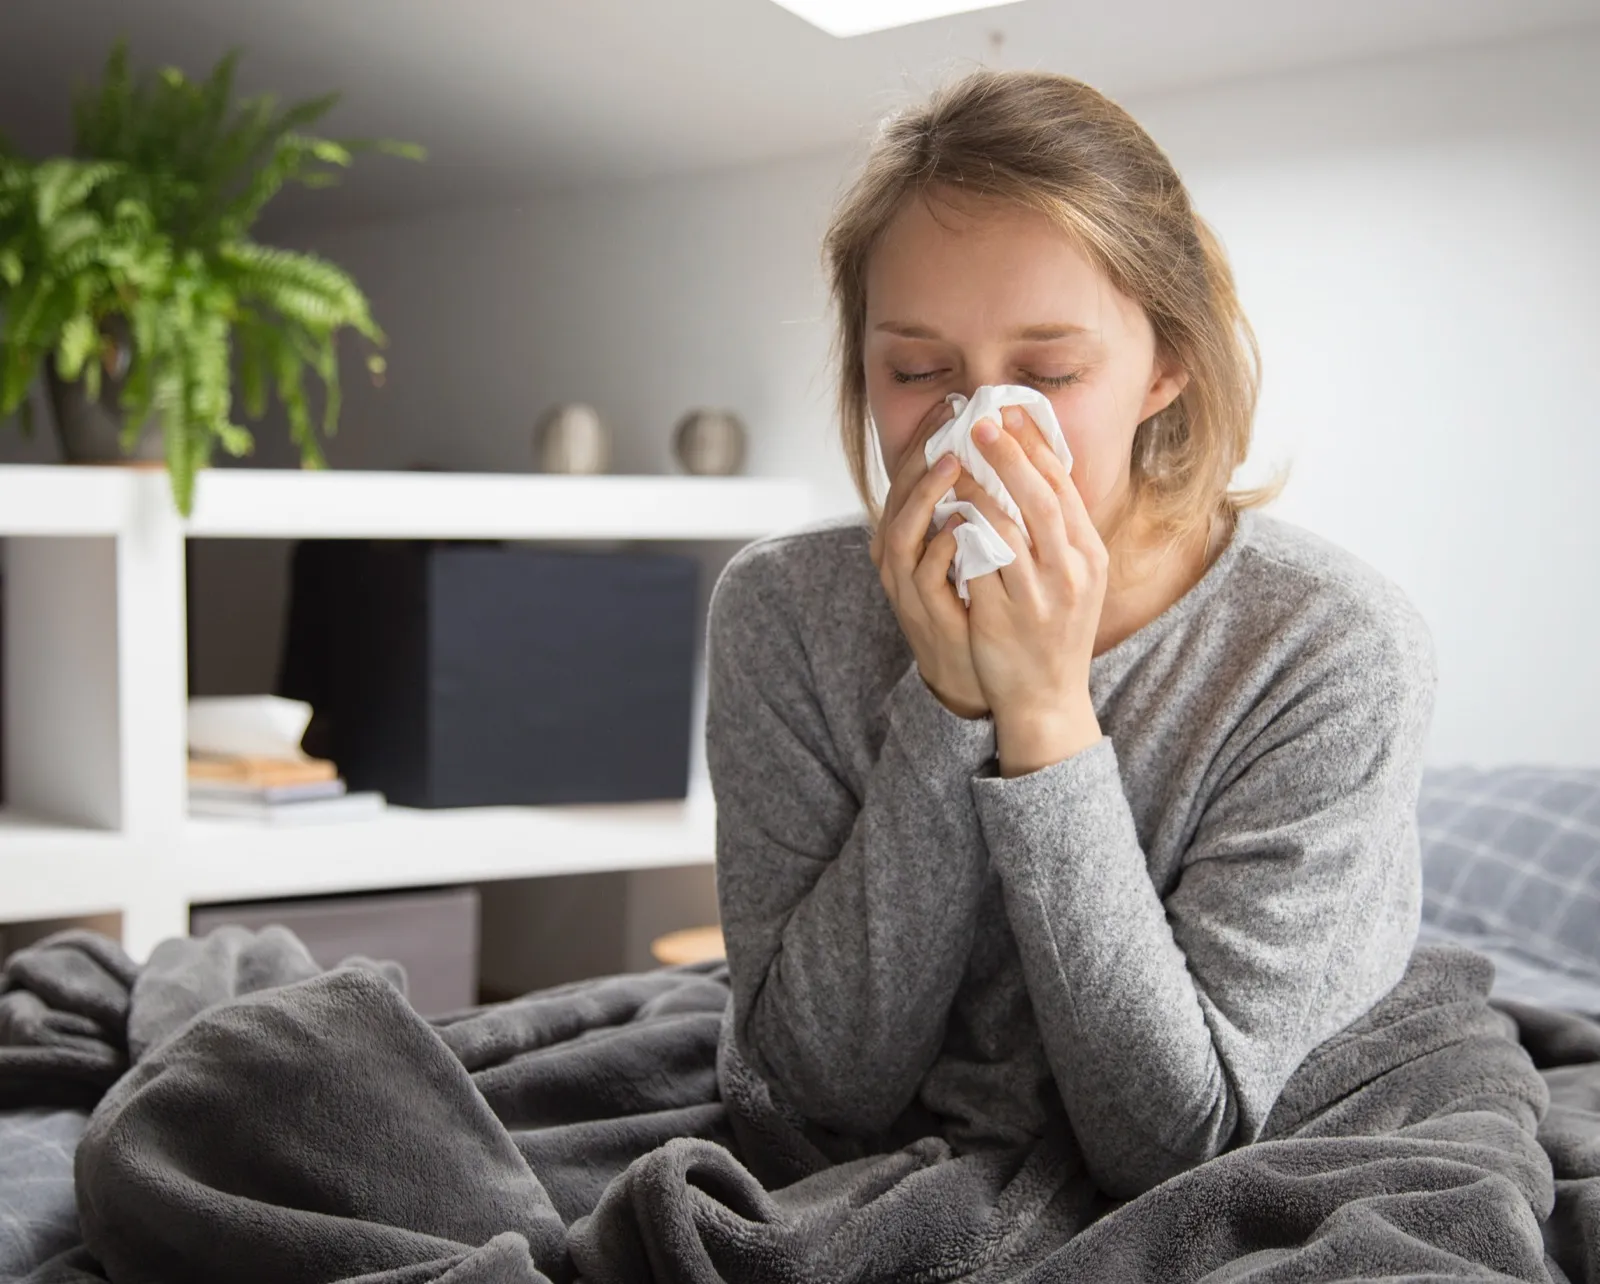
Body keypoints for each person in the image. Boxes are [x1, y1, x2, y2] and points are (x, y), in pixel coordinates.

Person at [703, 68, 1435, 1202]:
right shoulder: (784, 610)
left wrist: (1042, 713)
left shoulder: (1326, 649)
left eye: (1048, 372)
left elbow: (1174, 1143)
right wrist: (945, 712)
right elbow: (810, 1092)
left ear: (1169, 363)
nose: (974, 425)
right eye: (916, 370)